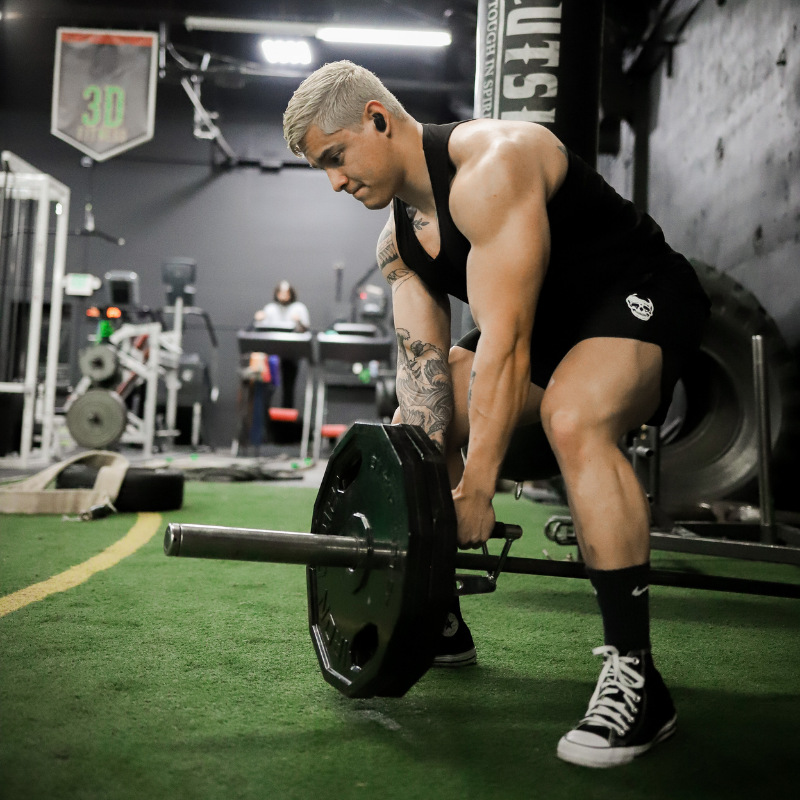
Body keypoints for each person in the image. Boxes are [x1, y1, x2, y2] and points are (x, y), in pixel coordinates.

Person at [283, 61, 710, 768]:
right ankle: (439, 617)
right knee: (418, 418)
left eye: (336, 157)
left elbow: (505, 347)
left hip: (639, 295)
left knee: (574, 415)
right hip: (551, 335)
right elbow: (425, 380)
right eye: (321, 170)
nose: (336, 181)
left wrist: (477, 488)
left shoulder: (493, 166)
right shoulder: (398, 242)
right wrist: (417, 530)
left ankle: (637, 676)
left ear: (379, 121)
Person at [254, 281, 311, 408]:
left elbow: (306, 330)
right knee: (267, 384)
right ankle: (266, 415)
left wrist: (298, 321)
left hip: (291, 353)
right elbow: (260, 329)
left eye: (286, 292)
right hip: (272, 353)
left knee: (289, 386)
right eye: (281, 292)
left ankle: (287, 414)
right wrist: (259, 319)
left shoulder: (299, 308)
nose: (283, 295)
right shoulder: (270, 308)